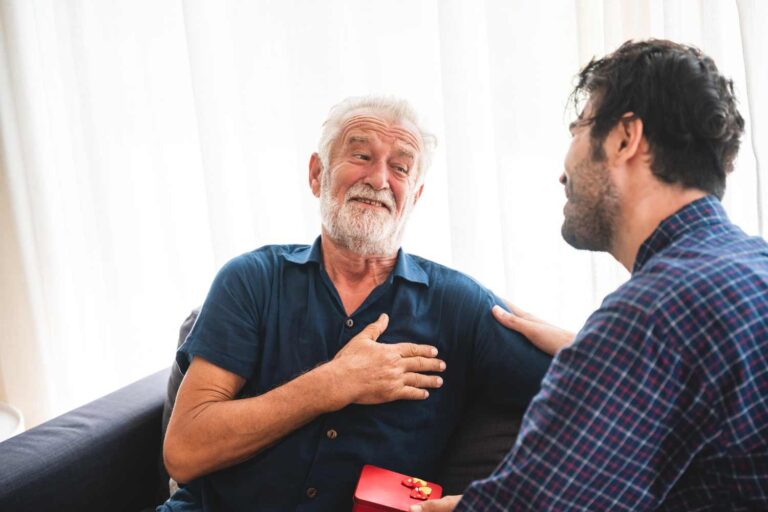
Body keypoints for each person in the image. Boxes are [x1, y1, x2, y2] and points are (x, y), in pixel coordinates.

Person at [413, 39, 768, 512]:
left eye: (577, 128)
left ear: (625, 138)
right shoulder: (750, 268)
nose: (564, 172)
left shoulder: (651, 314)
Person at [158, 96, 552, 511]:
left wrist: (482, 504)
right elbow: (185, 452)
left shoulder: (458, 305)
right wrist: (334, 383)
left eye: (400, 167)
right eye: (361, 155)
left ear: (414, 195)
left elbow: (597, 396)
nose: (379, 179)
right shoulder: (252, 279)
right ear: (317, 175)